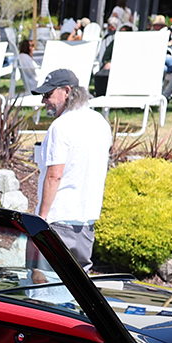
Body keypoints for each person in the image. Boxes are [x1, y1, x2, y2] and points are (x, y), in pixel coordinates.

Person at [32, 68, 111, 271]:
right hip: (86, 222)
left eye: (48, 94)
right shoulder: (100, 122)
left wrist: (41, 219)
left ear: (66, 91)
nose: (44, 101)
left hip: (57, 221)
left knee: (42, 283)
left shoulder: (61, 126)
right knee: (77, 285)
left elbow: (54, 175)